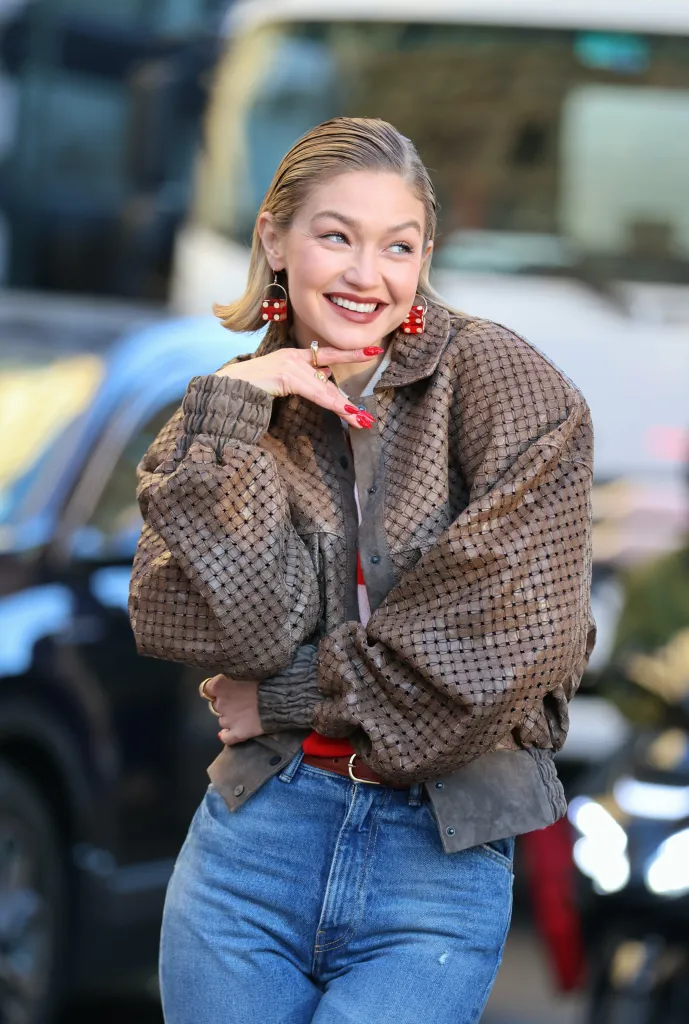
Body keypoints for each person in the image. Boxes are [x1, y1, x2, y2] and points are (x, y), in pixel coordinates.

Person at [129, 117, 596, 1024]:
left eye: (398, 246)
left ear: (426, 255)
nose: (364, 274)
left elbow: (502, 653)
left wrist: (284, 696)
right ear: (274, 237)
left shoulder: (504, 384)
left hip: (435, 858)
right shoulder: (227, 409)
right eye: (334, 235)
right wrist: (234, 415)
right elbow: (222, 633)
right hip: (251, 849)